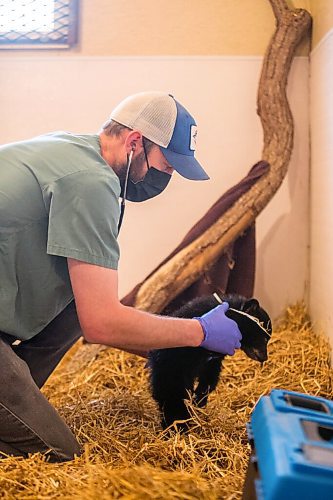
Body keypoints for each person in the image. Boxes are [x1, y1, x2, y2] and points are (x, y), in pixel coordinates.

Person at [0, 91, 242, 462]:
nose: (167, 177)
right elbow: (103, 325)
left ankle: (16, 403)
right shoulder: (91, 183)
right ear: (134, 143)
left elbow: (91, 314)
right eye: (167, 165)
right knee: (59, 453)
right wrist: (200, 332)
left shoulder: (71, 149)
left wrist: (172, 349)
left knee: (72, 309)